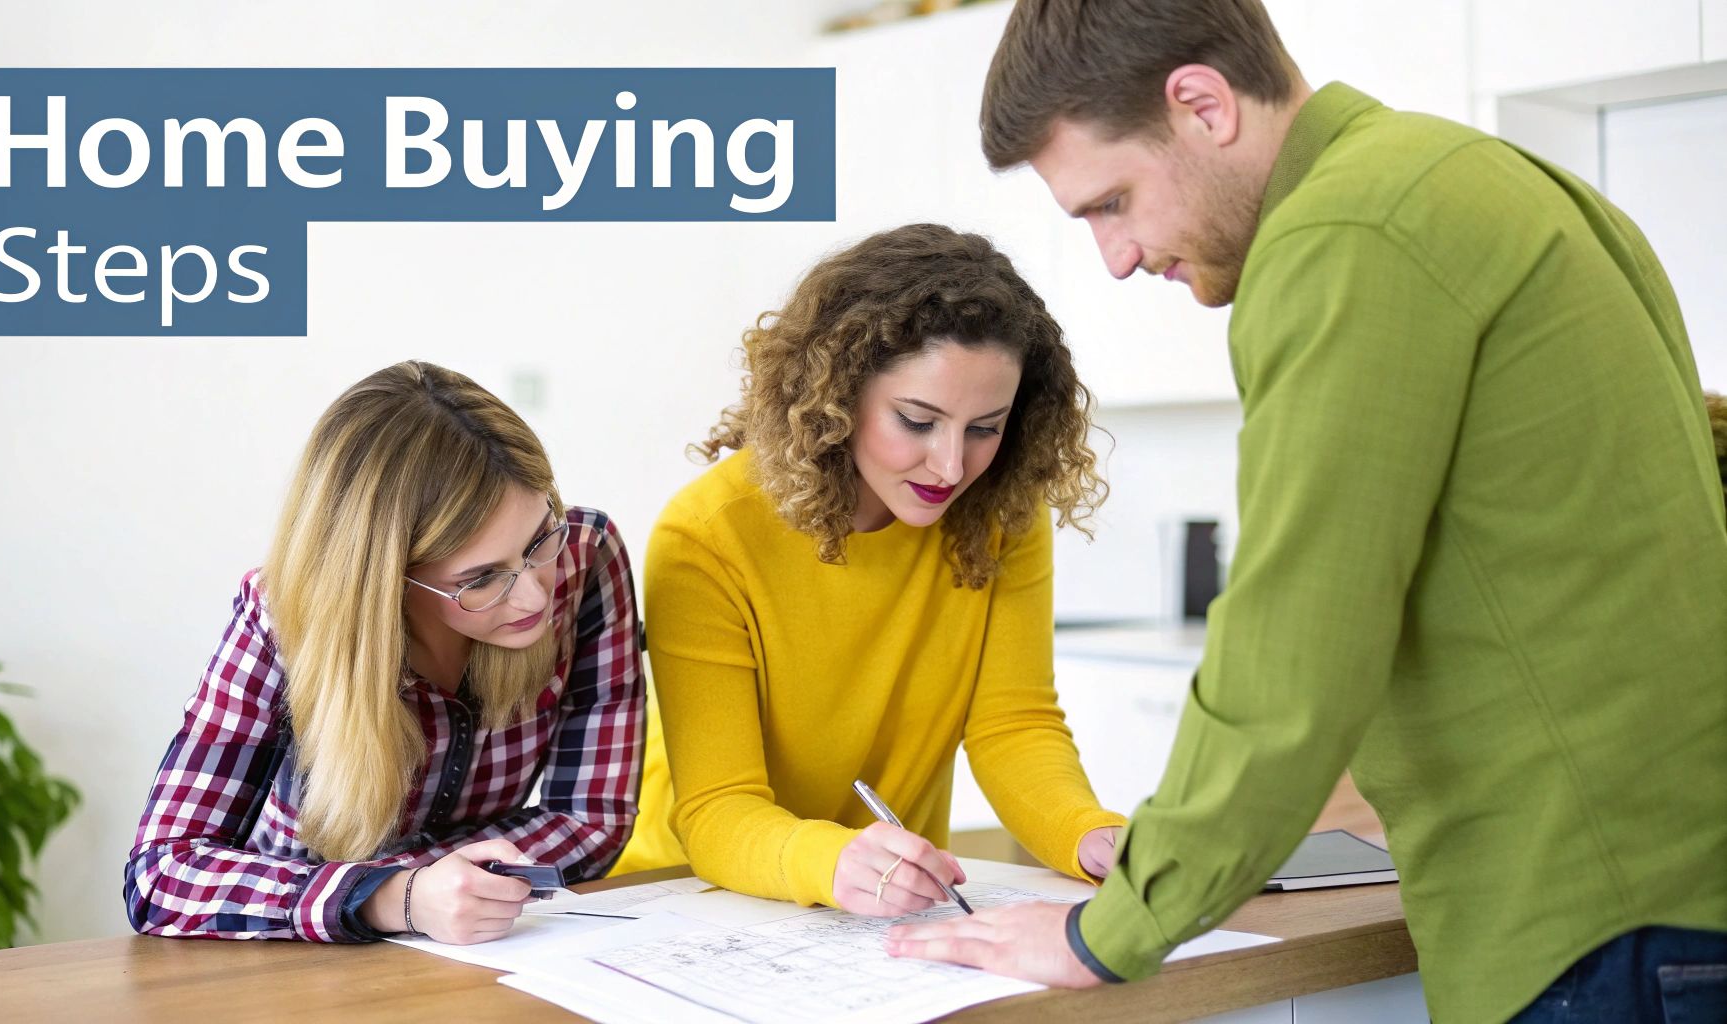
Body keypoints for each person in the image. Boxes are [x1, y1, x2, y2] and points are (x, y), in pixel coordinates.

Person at [885, 3, 1727, 1022]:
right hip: (1672, 895)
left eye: (1111, 201)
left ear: (1200, 104)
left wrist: (1106, 929)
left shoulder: (1340, 233)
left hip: (1587, 929)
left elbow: (1293, 642)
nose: (1114, 255)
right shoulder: (1501, 182)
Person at [611, 223, 1129, 915]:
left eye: (985, 428)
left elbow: (1014, 725)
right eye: (917, 420)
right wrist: (836, 862)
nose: (952, 467)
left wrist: (1087, 832)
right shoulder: (707, 535)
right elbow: (718, 809)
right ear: (836, 396)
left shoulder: (1000, 512)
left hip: (888, 907)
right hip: (694, 896)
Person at [124, 360, 644, 944]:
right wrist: (394, 896)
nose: (533, 593)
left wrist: (451, 891)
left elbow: (593, 818)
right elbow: (160, 875)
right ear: (387, 580)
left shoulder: (585, 556)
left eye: (538, 540)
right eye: (480, 579)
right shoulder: (284, 619)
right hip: (288, 963)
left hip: (481, 951)